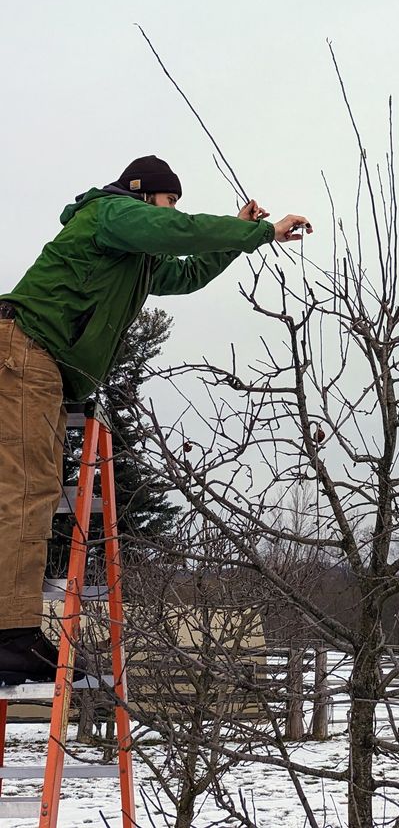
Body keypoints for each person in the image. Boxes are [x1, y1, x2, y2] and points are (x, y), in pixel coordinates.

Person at [0, 155, 312, 684]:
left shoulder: (132, 256)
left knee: (28, 490)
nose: (172, 211)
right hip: (25, 352)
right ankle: (10, 637)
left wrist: (237, 237)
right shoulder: (111, 213)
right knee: (25, 492)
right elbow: (174, 231)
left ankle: (12, 631)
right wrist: (260, 231)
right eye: (169, 201)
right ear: (145, 195)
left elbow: (186, 273)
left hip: (39, 363)